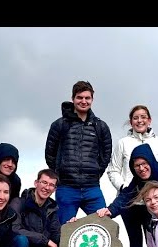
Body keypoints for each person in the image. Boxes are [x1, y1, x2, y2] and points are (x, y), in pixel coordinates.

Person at [106, 105, 158, 247]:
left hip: (152, 201)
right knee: (135, 241)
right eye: (135, 118)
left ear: (149, 120)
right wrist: (123, 187)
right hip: (129, 201)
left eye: (143, 117)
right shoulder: (123, 143)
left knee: (156, 238)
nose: (139, 120)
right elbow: (113, 170)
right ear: (131, 122)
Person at [45, 80, 112, 224]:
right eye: (79, 97)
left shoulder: (100, 126)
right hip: (66, 188)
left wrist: (95, 172)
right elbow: (49, 154)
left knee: (105, 225)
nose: (83, 101)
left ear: (92, 100)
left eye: (87, 98)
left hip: (92, 188)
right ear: (73, 99)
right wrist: (60, 174)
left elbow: (106, 155)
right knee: (65, 231)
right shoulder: (59, 125)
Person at [11, 169, 61, 247]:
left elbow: (57, 236)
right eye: (44, 182)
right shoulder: (19, 203)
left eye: (51, 185)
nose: (47, 187)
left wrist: (72, 226)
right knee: (21, 240)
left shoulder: (52, 209)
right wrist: (45, 240)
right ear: (36, 183)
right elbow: (14, 229)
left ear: (54, 189)